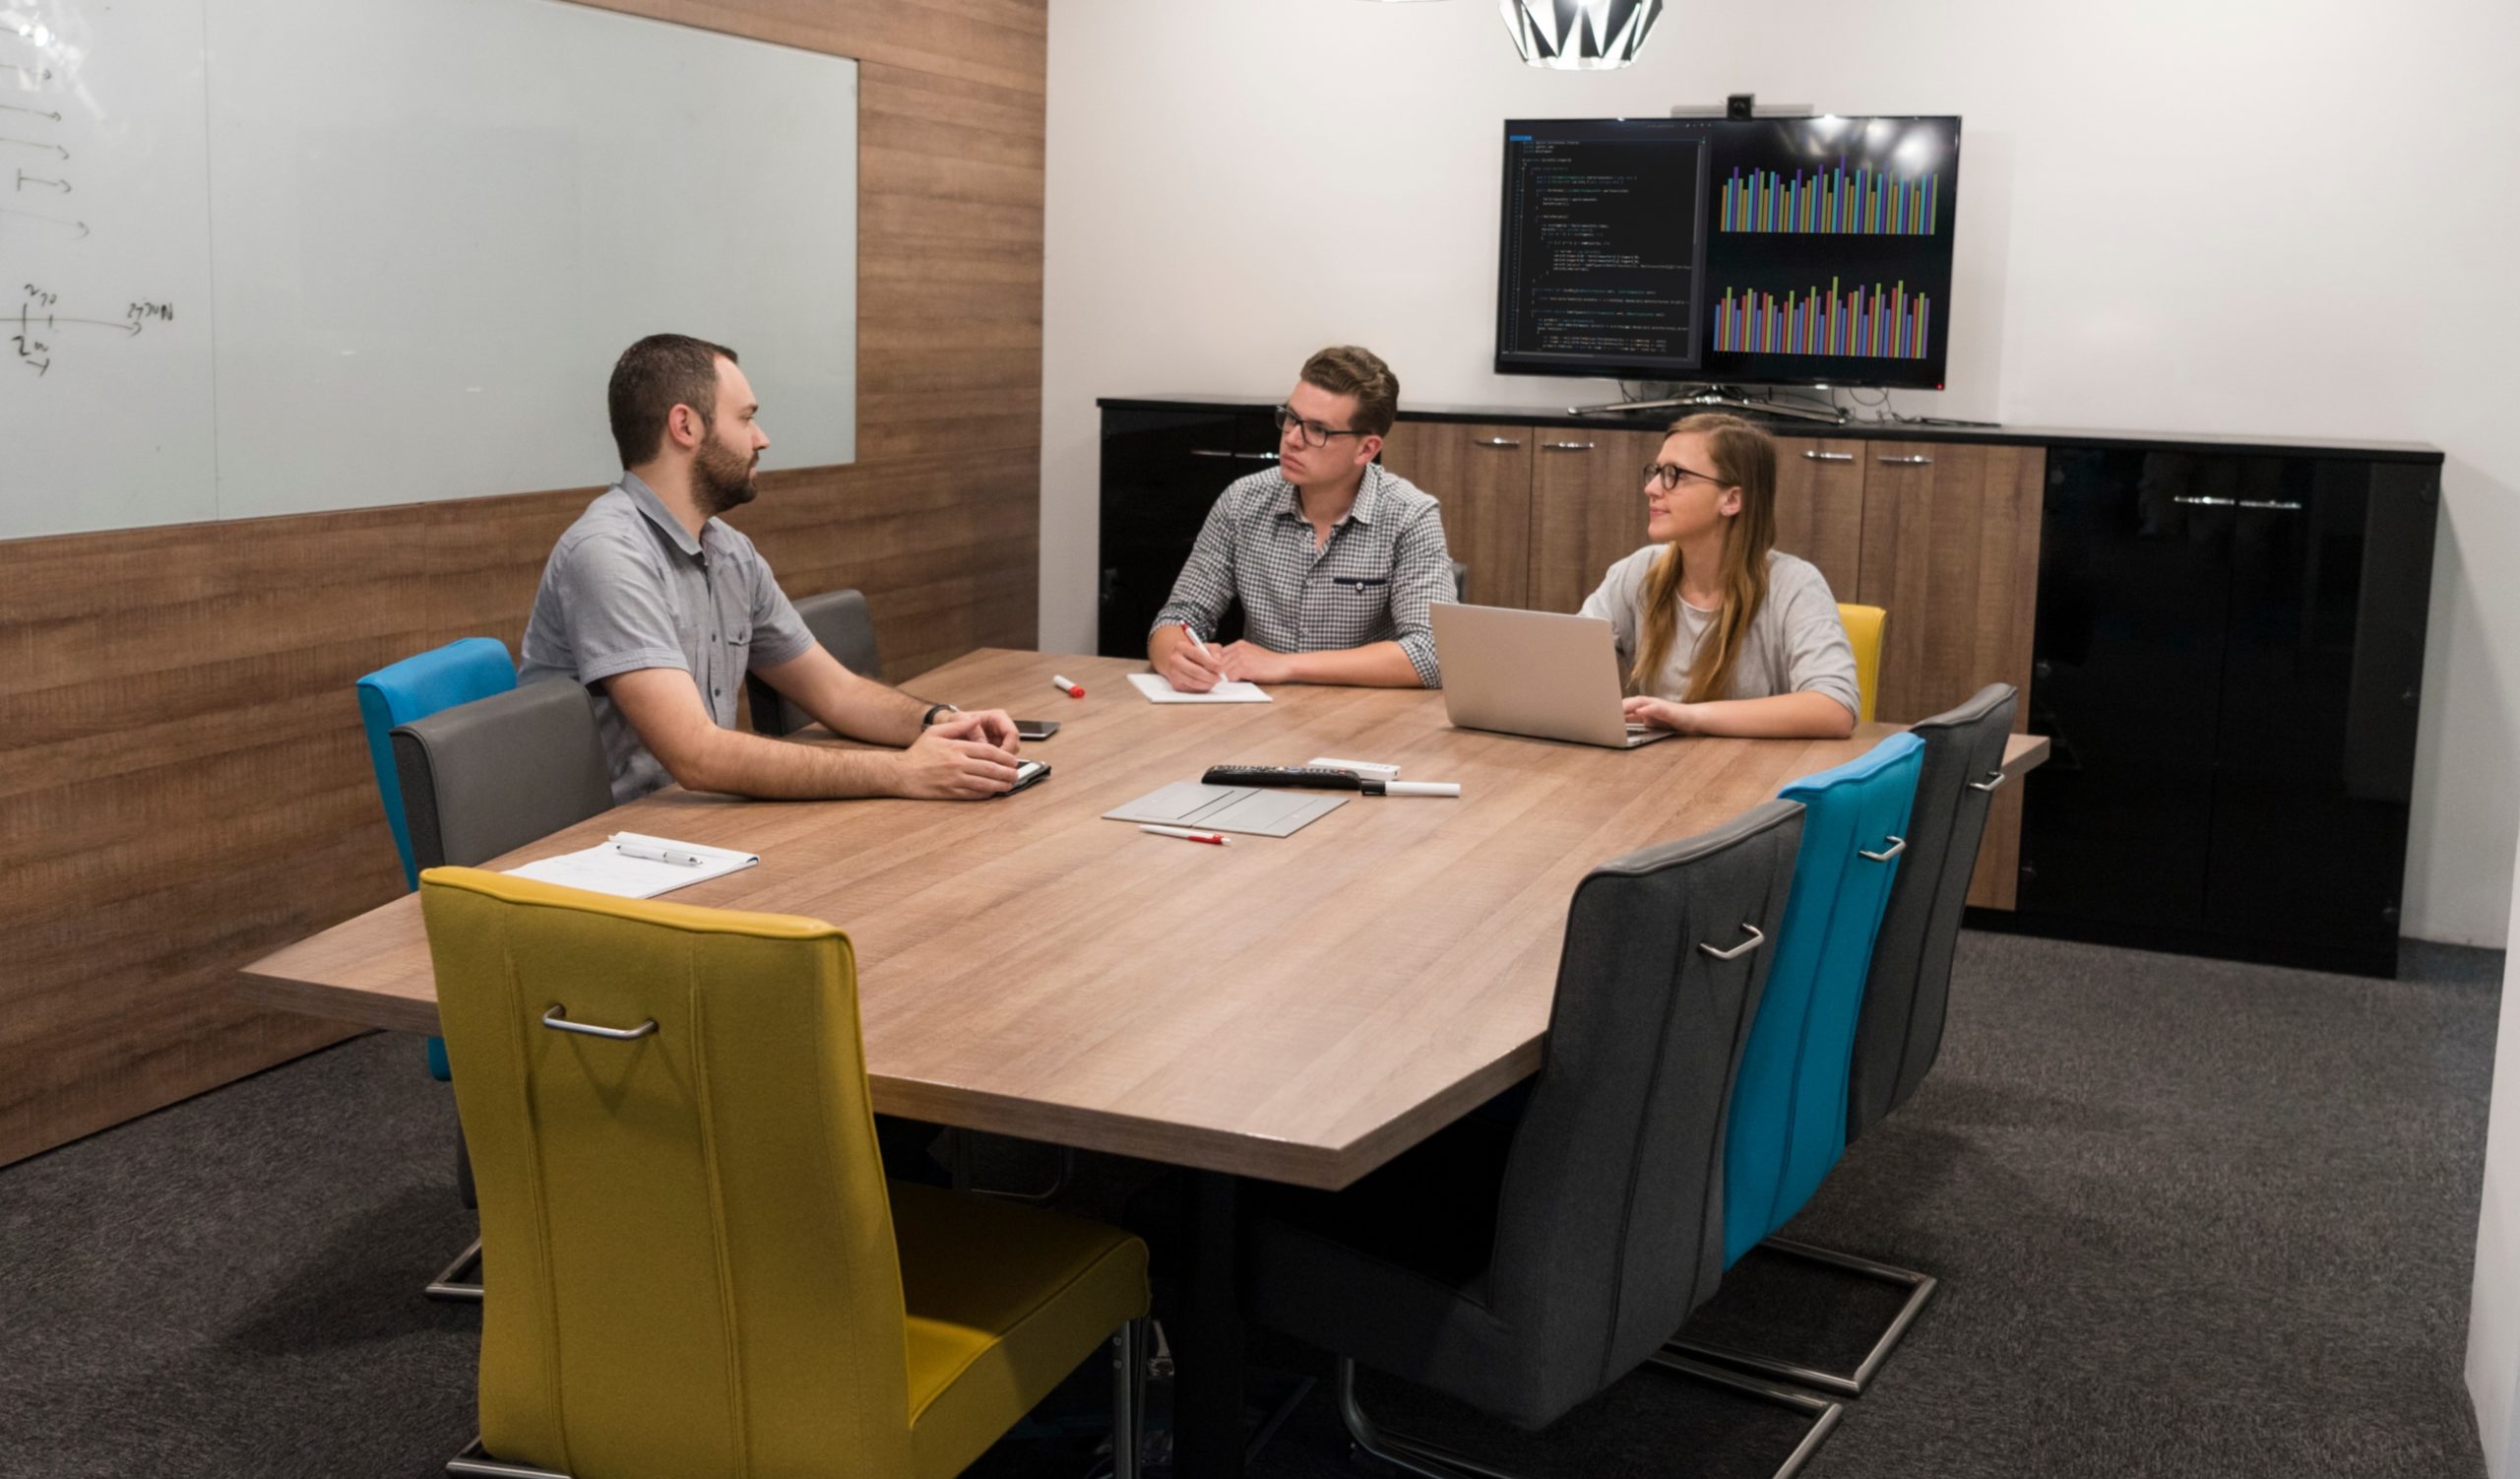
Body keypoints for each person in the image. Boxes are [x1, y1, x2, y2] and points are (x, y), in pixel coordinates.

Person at [521, 334, 1023, 804]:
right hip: (612, 845)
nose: (761, 439)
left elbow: (838, 693)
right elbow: (696, 754)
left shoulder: (730, 552)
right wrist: (903, 772)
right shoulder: (608, 554)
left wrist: (942, 723)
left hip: (694, 827)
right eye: (745, 419)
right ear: (685, 426)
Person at [1147, 346, 1455, 690]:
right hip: (1261, 714)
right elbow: (1177, 617)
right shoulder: (1242, 501)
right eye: (1291, 418)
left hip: (1363, 716)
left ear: (1366, 449)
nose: (1292, 439)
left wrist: (1285, 665)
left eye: (1318, 430)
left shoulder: (1410, 516)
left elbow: (1432, 653)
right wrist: (1175, 660)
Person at [1580, 413, 1859, 739]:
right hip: (1657, 766)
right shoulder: (1637, 572)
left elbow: (1834, 708)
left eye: (1675, 475)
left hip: (1757, 768)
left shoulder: (1795, 584)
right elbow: (1565, 661)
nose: (1651, 488)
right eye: (1656, 472)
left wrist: (1688, 717)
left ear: (1731, 499)